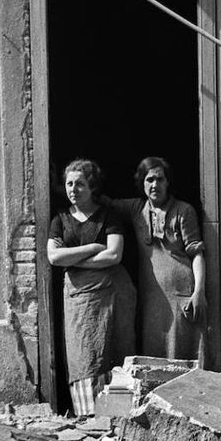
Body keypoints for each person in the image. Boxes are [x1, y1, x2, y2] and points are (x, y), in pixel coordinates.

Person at [47, 159, 136, 416]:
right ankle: (89, 418)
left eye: (80, 184)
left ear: (92, 186)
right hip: (77, 299)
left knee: (115, 351)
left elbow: (113, 256)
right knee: (83, 355)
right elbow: (54, 257)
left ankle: (116, 416)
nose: (73, 189)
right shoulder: (61, 220)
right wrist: (92, 249)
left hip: (112, 295)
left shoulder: (109, 216)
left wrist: (73, 259)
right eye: (69, 184)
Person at [110, 157, 206, 361]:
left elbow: (196, 253)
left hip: (182, 295)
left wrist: (199, 292)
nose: (155, 185)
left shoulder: (184, 210)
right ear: (142, 184)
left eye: (160, 179)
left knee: (182, 357)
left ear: (168, 182)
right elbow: (102, 204)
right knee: (154, 356)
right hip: (152, 299)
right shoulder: (137, 210)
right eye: (150, 179)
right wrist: (60, 189)